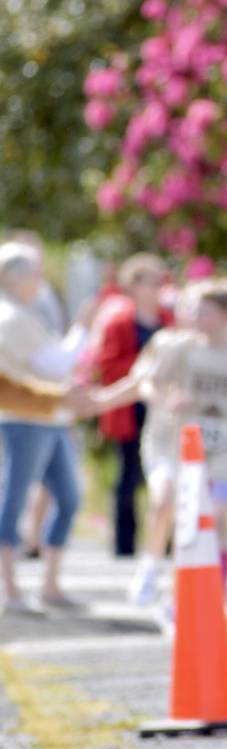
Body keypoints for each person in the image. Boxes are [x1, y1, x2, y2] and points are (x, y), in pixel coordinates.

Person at [87, 278, 227, 604]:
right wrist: (164, 399)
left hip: (222, 452)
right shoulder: (174, 346)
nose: (193, 315)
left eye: (204, 310)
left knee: (214, 516)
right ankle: (150, 567)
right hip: (171, 444)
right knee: (165, 501)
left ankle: (214, 588)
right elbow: (144, 383)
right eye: (190, 308)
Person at [0, 242, 92, 612]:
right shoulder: (12, 317)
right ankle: (10, 588)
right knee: (14, 499)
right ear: (12, 277)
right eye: (34, 273)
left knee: (68, 498)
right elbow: (59, 365)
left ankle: (48, 584)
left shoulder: (22, 314)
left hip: (47, 420)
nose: (40, 281)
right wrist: (83, 328)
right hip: (25, 422)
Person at [90, 253, 173, 556]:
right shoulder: (119, 321)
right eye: (151, 281)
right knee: (128, 477)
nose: (157, 288)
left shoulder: (167, 320)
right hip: (129, 409)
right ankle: (124, 546)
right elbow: (107, 365)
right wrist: (146, 364)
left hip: (163, 411)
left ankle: (165, 544)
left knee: (167, 477)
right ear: (134, 285)